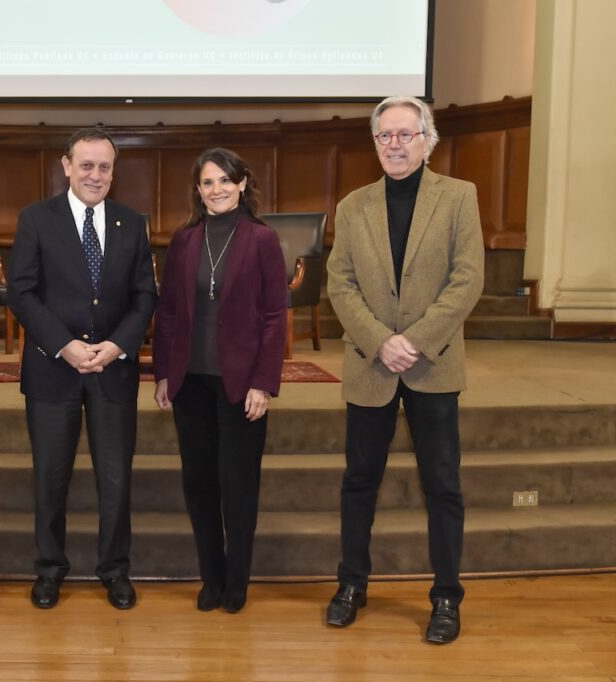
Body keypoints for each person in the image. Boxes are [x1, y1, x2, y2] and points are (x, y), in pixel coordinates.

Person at [324, 95, 485, 644]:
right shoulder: (352, 206)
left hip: (432, 365)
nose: (394, 144)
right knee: (359, 483)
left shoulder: (460, 197)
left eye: (405, 134)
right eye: (385, 136)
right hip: (371, 365)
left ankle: (445, 597)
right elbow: (339, 283)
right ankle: (352, 585)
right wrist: (379, 341)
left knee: (442, 485)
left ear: (427, 140)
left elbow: (468, 280)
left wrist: (412, 341)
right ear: (375, 143)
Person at [7, 127, 157, 610]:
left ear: (115, 171)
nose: (96, 175)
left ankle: (115, 570)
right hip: (54, 371)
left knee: (116, 480)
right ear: (66, 166)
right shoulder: (35, 219)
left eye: (105, 167)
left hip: (113, 371)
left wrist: (116, 345)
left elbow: (144, 296)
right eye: (86, 165)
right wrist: (64, 345)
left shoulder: (132, 223)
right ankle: (50, 570)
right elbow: (22, 293)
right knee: (50, 478)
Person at [152, 148, 287, 613]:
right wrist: (164, 374)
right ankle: (211, 578)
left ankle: (237, 582)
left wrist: (263, 383)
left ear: (243, 183)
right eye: (208, 183)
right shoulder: (185, 240)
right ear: (198, 190)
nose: (217, 190)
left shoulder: (263, 239)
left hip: (241, 386)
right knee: (201, 485)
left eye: (225, 181)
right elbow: (168, 312)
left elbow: (275, 318)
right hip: (191, 383)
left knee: (239, 486)